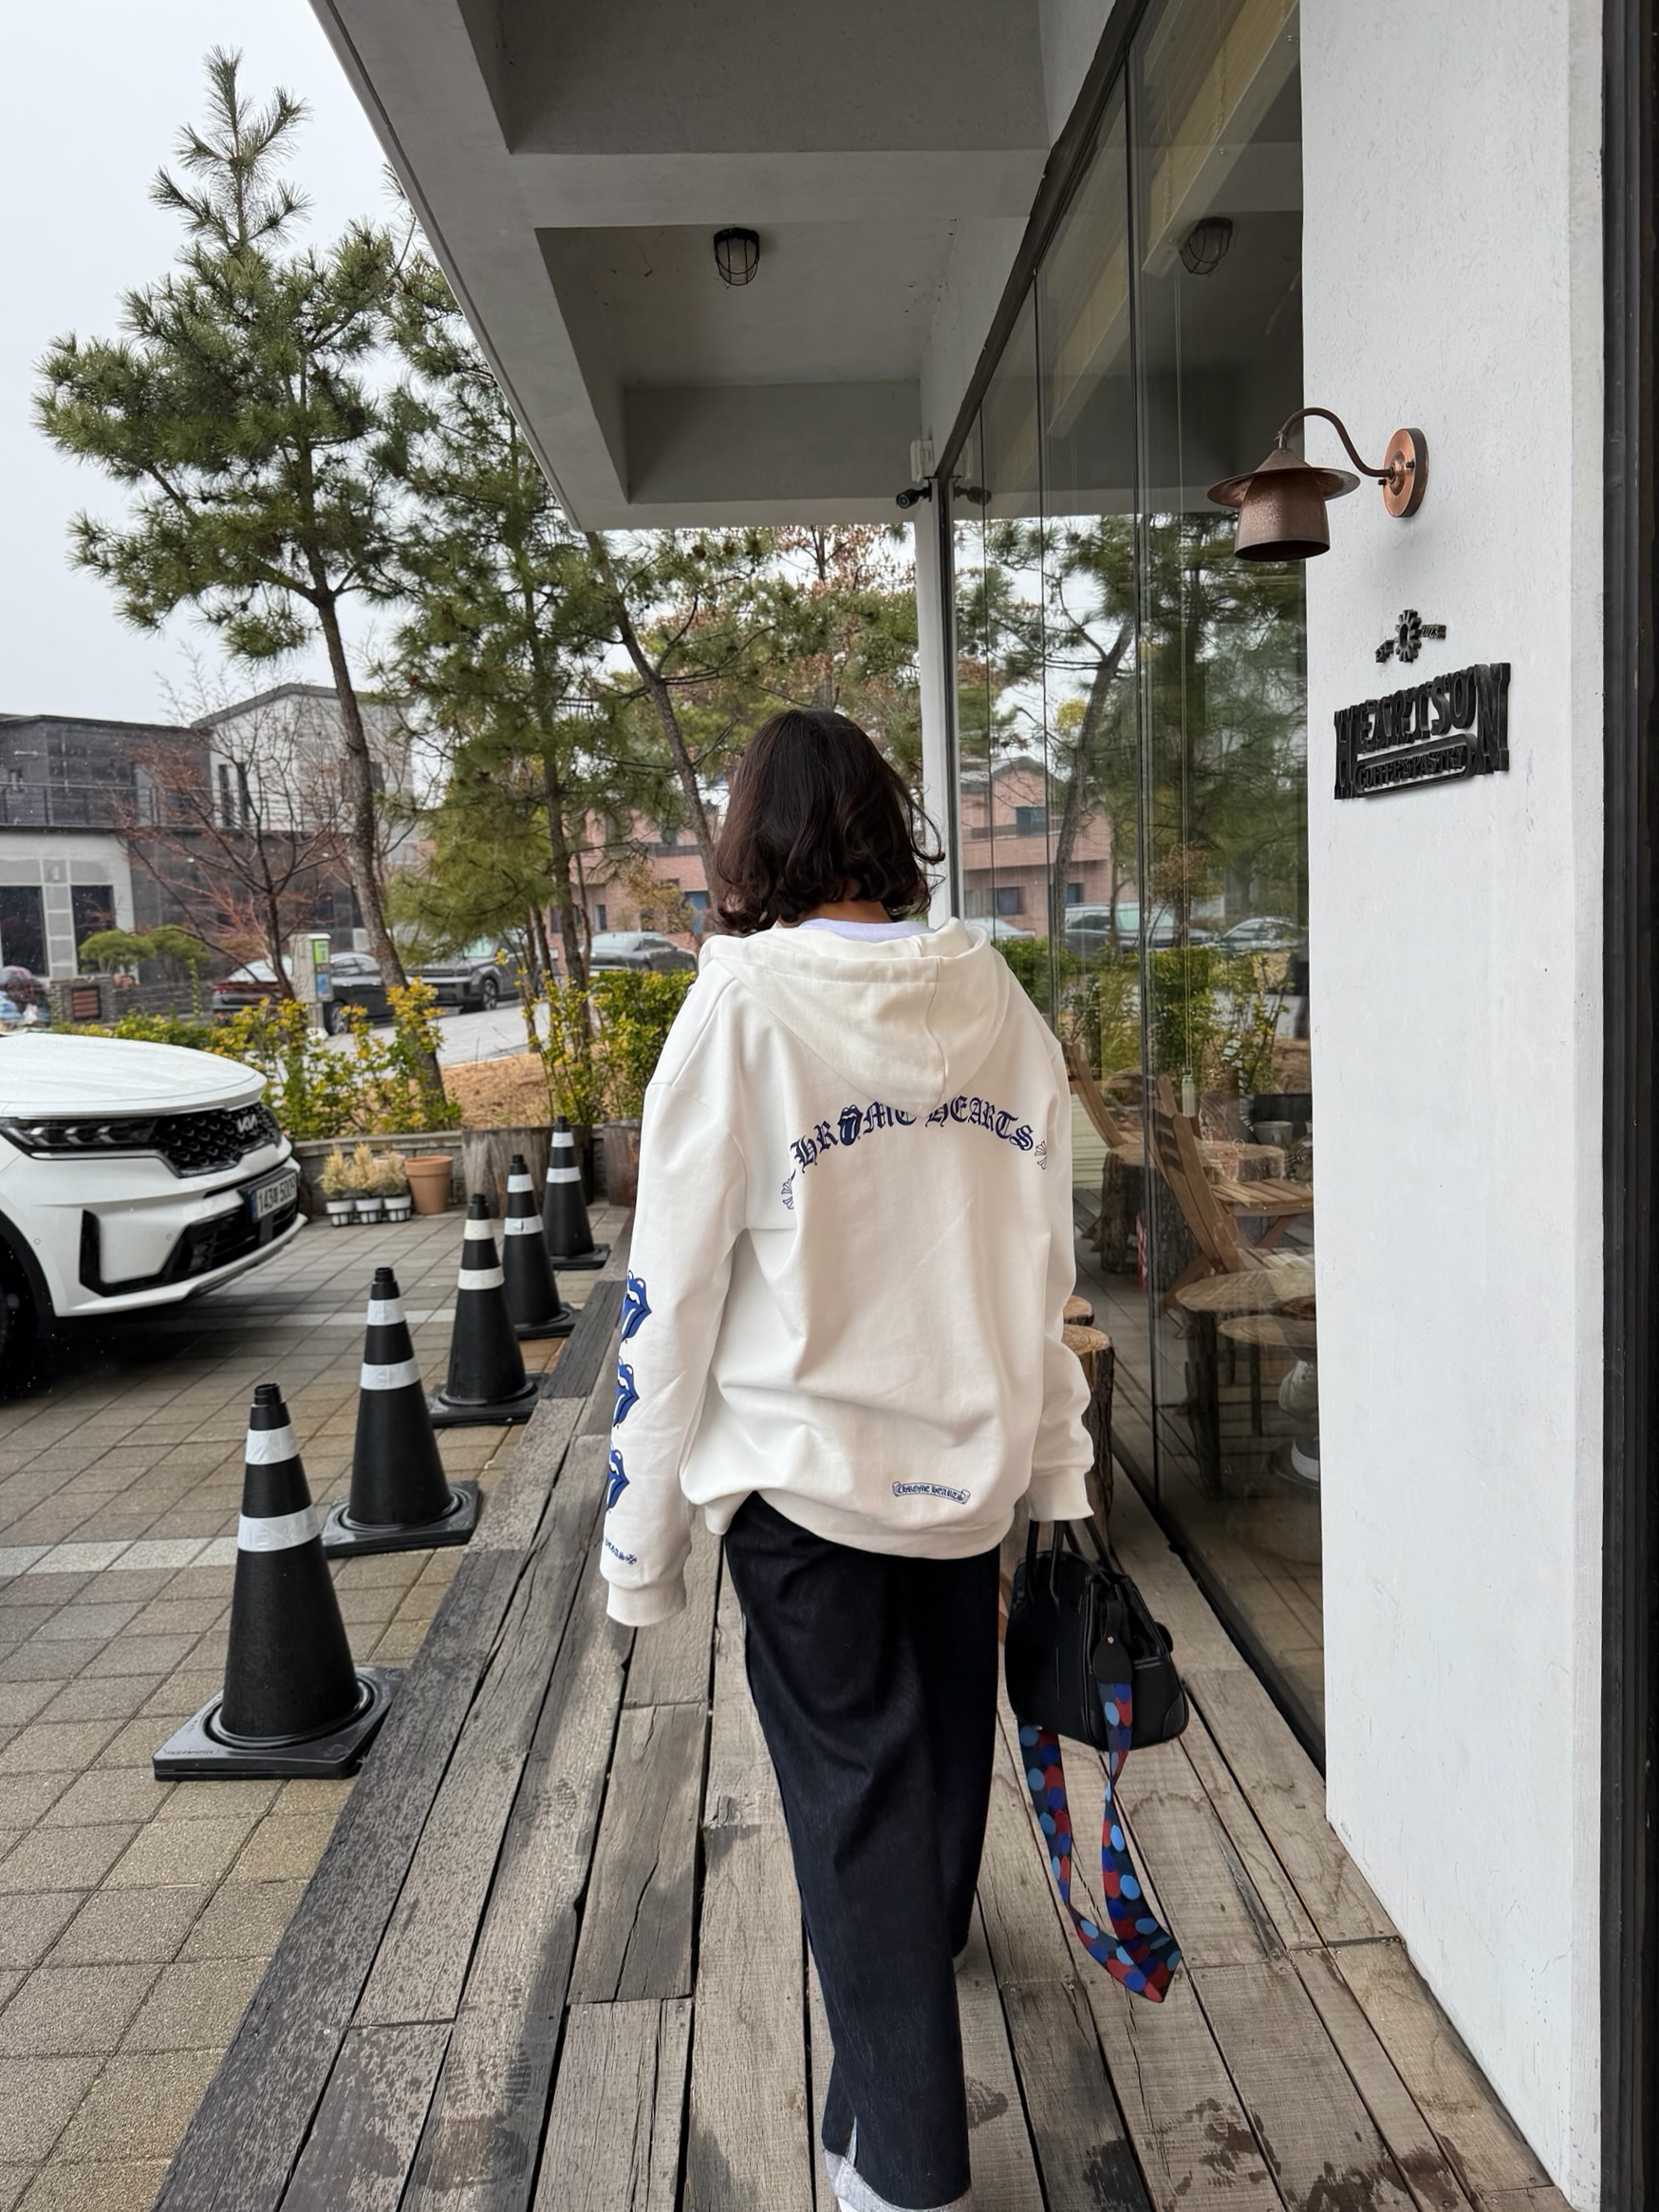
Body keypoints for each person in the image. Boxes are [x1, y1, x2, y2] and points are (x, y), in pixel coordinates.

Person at [602, 706, 1092, 2212]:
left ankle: (909, 2167)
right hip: (967, 1479)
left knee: (859, 1805)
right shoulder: (998, 1000)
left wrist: (639, 1545)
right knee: (931, 1767)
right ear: (889, 828)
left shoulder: (745, 1007)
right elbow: (1044, 1264)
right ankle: (881, 2076)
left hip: (805, 1487)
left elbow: (670, 1292)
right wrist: (1057, 1471)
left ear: (752, 839)